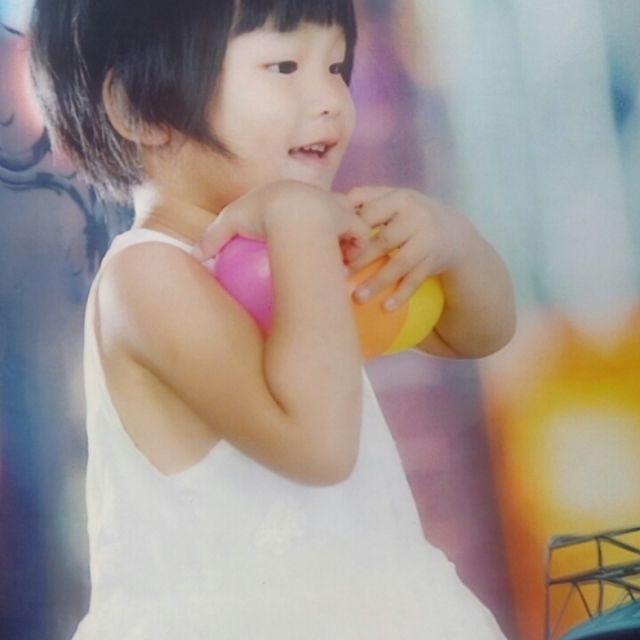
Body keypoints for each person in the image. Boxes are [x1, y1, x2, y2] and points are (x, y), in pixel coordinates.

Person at [29, 0, 515, 637]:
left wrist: (450, 242)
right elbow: (318, 447)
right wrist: (298, 225)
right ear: (141, 108)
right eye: (284, 66)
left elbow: (475, 332)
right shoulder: (148, 275)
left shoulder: (296, 243)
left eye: (336, 67)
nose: (331, 100)